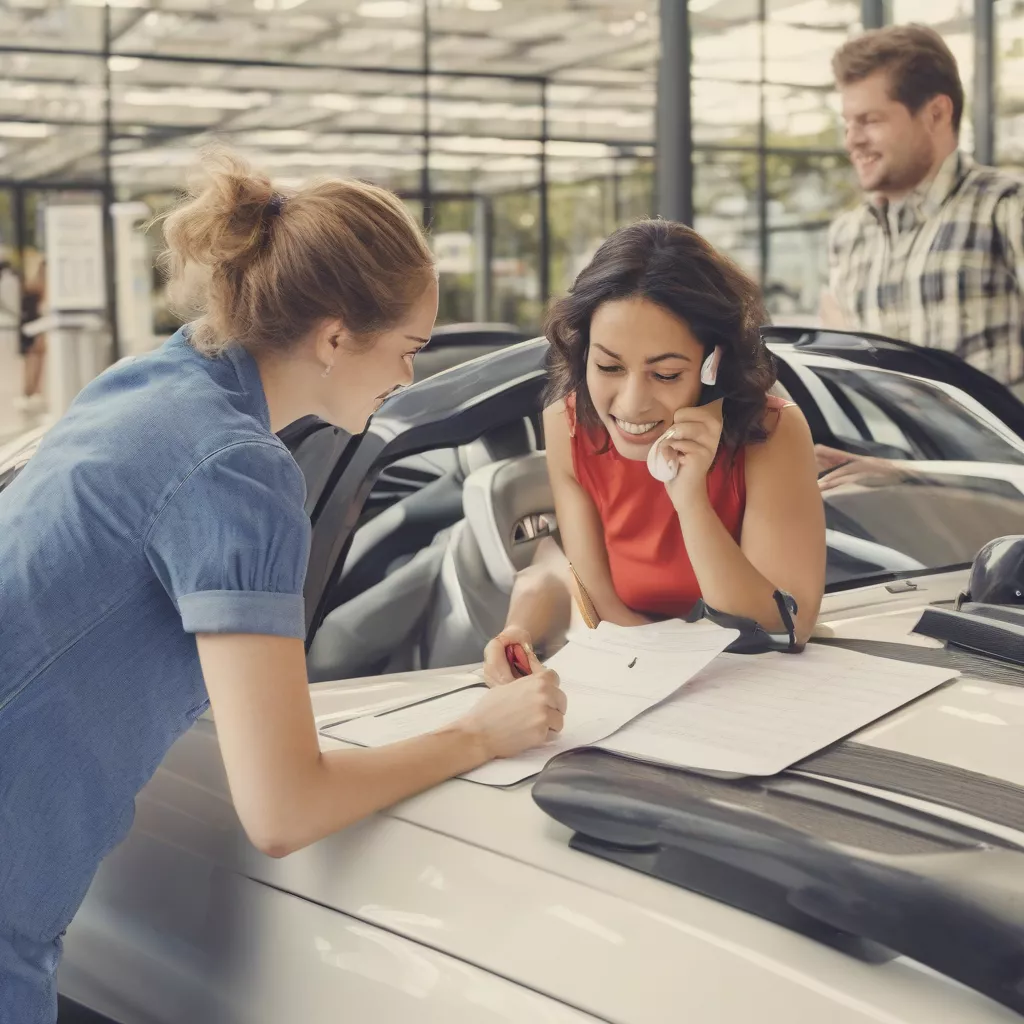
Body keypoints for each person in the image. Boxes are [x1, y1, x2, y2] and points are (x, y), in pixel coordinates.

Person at [0, 149, 565, 1023]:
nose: (408, 379)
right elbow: (284, 807)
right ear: (335, 337)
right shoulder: (241, 471)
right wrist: (478, 735)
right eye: (409, 349)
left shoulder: (147, 383)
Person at [483, 221, 826, 684]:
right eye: (608, 366)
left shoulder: (774, 433)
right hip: (647, 675)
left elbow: (785, 627)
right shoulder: (567, 426)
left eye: (664, 375)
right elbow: (601, 603)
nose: (630, 403)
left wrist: (690, 499)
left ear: (713, 366)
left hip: (755, 679)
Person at [823, 24, 1024, 396]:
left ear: (935, 114)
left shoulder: (1007, 208)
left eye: (870, 120)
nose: (852, 140)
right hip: (879, 454)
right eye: (848, 123)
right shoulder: (847, 236)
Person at [17, 256, 47, 413]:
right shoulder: (33, 288)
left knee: (36, 360)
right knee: (33, 360)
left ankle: (33, 392)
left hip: (34, 327)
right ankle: (29, 392)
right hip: (32, 328)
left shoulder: (34, 287)